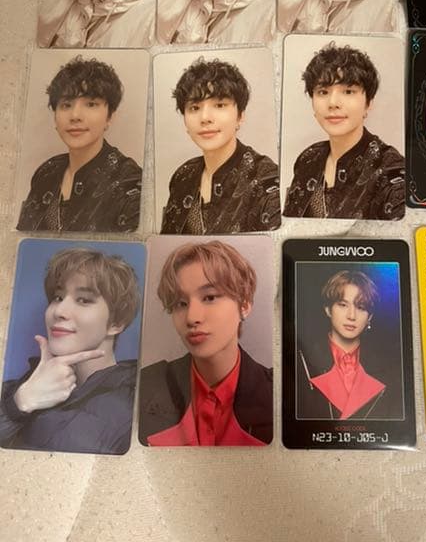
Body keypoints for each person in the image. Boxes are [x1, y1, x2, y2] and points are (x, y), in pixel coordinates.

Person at [0, 248, 141, 454]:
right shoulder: (15, 389)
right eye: (58, 297)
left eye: (83, 300)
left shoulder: (132, 408)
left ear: (116, 323)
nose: (59, 311)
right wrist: (20, 402)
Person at [138, 241, 273, 446]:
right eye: (181, 303)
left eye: (209, 298)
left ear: (244, 305)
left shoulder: (280, 394)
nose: (192, 318)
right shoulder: (146, 385)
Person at [17, 56, 142, 232]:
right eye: (66, 105)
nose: (75, 116)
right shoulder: (47, 171)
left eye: (91, 104)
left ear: (110, 117)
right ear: (55, 116)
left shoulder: (130, 180)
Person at [283, 43, 405, 220]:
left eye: (348, 91)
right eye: (323, 92)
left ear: (368, 103)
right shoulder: (308, 158)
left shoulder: (392, 171)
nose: (333, 103)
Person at [160, 57, 280, 233]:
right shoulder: (183, 176)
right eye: (194, 108)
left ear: (240, 116)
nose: (205, 118)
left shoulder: (266, 180)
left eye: (219, 105)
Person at [297, 270, 401, 419]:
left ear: (370, 317)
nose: (351, 316)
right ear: (328, 310)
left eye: (361, 307)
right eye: (343, 305)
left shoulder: (391, 369)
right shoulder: (302, 360)